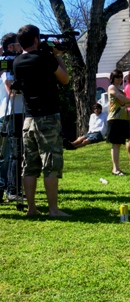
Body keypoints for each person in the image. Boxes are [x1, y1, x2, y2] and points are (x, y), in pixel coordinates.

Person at [13, 25, 70, 216]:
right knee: (51, 164)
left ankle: (31, 208)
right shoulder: (45, 58)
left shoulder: (17, 62)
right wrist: (57, 54)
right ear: (36, 40)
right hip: (48, 117)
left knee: (29, 165)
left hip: (29, 119)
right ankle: (53, 209)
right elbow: (64, 79)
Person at [0, 33, 23, 203]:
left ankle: (12, 188)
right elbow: (11, 91)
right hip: (10, 113)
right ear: (10, 47)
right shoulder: (6, 66)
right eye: (18, 44)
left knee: (17, 153)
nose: (21, 46)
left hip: (20, 112)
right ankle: (6, 189)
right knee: (8, 154)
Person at [107, 69, 130, 176]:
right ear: (112, 78)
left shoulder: (121, 90)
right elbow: (123, 100)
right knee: (115, 144)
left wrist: (125, 100)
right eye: (117, 76)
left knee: (118, 144)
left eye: (121, 77)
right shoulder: (112, 87)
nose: (120, 79)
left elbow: (126, 102)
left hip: (122, 118)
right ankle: (115, 169)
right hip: (114, 118)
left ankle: (116, 168)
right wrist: (126, 100)